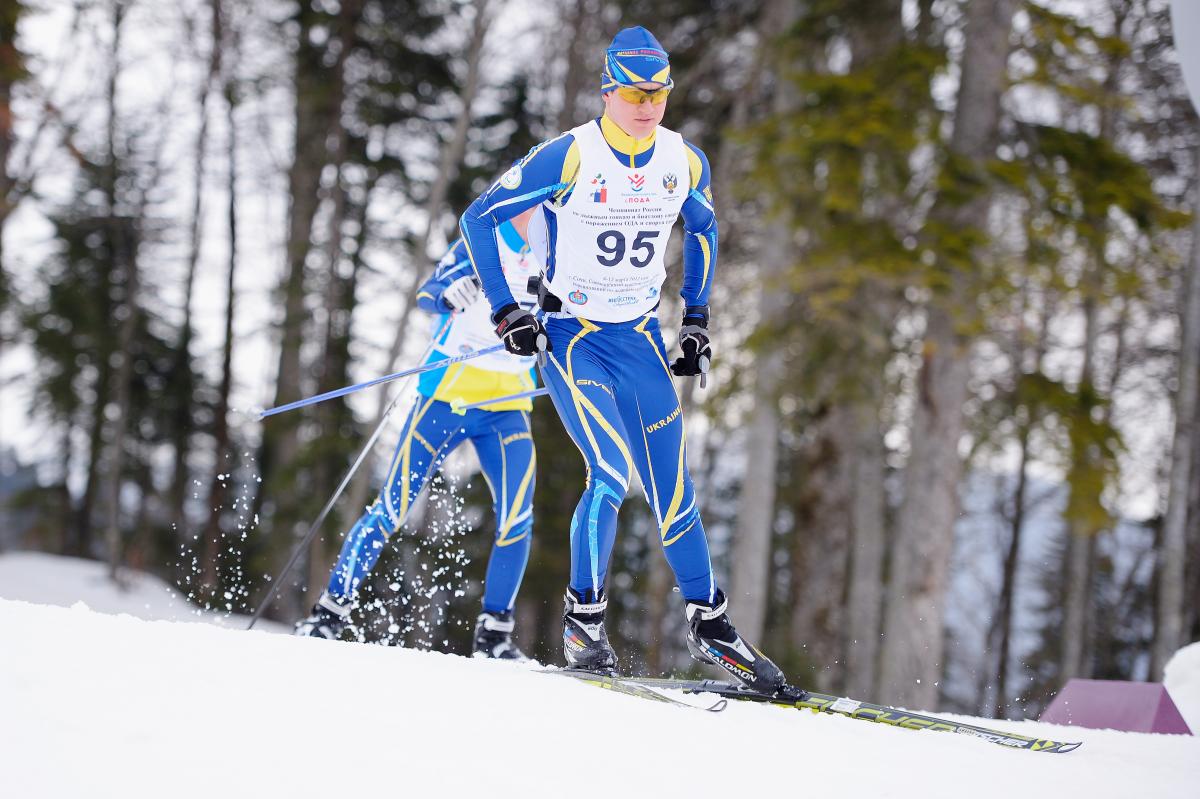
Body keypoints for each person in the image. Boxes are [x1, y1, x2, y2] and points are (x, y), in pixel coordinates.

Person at [459, 27, 787, 691]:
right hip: (574, 339)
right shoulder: (571, 155)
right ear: (608, 90)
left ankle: (711, 622)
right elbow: (480, 217)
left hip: (638, 339)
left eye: (660, 92)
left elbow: (705, 230)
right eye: (636, 92)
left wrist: (695, 319)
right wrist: (506, 309)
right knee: (609, 470)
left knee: (674, 493)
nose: (648, 104)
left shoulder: (683, 161)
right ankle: (585, 620)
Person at [295, 209, 542, 660]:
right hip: (444, 399)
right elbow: (427, 295)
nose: (547, 210)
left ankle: (494, 637)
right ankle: (327, 615)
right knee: (393, 507)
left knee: (517, 516)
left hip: (506, 406)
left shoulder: (560, 247)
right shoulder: (481, 238)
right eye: (540, 201)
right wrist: (447, 295)